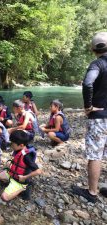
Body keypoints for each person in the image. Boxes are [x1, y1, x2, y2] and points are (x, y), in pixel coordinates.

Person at [72, 32, 107, 203]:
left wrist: (88, 107)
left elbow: (87, 83)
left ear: (93, 49)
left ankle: (92, 192)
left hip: (99, 117)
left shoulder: (98, 64)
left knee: (95, 155)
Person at [0, 130, 41, 201]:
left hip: (20, 180)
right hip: (13, 175)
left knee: (4, 197)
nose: (11, 145)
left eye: (12, 144)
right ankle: (11, 182)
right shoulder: (18, 150)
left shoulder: (27, 156)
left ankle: (23, 187)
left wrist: (25, 177)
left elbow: (38, 171)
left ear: (21, 145)